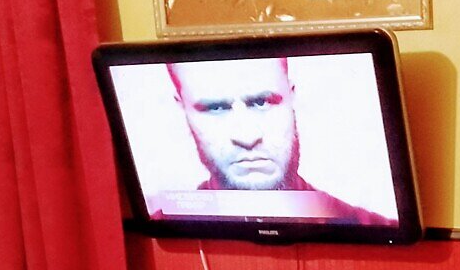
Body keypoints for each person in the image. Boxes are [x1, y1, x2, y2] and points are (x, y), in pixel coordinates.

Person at [165, 56, 390, 225]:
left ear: (292, 96)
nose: (247, 137)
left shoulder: (373, 228)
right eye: (215, 108)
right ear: (181, 108)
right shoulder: (166, 227)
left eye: (262, 102)